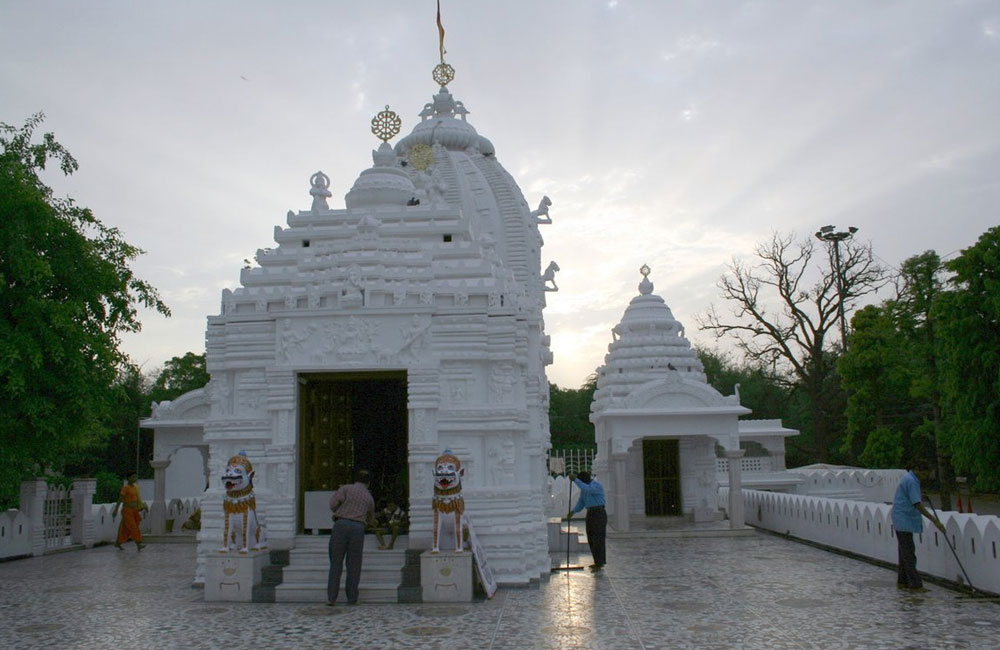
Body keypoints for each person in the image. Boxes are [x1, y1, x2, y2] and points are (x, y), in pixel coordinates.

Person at [327, 469, 375, 605]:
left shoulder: (345, 489)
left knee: (336, 562)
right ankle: (352, 598)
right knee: (354, 565)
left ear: (355, 479)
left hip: (341, 525)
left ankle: (331, 598)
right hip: (358, 528)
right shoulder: (369, 497)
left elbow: (332, 505)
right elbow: (371, 517)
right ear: (368, 483)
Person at [891, 469, 945, 591]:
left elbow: (913, 496)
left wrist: (921, 496)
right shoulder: (911, 481)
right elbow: (917, 504)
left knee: (904, 552)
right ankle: (915, 584)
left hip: (901, 518)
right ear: (919, 470)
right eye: (925, 472)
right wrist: (934, 520)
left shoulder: (909, 478)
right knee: (909, 553)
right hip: (903, 518)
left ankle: (903, 581)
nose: (926, 475)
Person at [569, 471, 607, 572]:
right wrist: (573, 511)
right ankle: (597, 561)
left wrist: (575, 480)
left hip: (599, 513)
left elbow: (587, 489)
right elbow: (581, 502)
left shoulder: (596, 485)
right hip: (590, 513)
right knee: (591, 538)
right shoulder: (585, 489)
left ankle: (600, 563)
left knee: (598, 538)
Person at [113, 472, 148, 551]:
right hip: (127, 510)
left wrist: (142, 506)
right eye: (132, 477)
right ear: (128, 478)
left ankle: (118, 543)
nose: (134, 479)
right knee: (133, 527)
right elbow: (120, 499)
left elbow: (137, 499)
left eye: (135, 477)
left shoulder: (135, 488)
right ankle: (138, 543)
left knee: (126, 528)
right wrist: (116, 509)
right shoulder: (126, 488)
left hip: (134, 510)